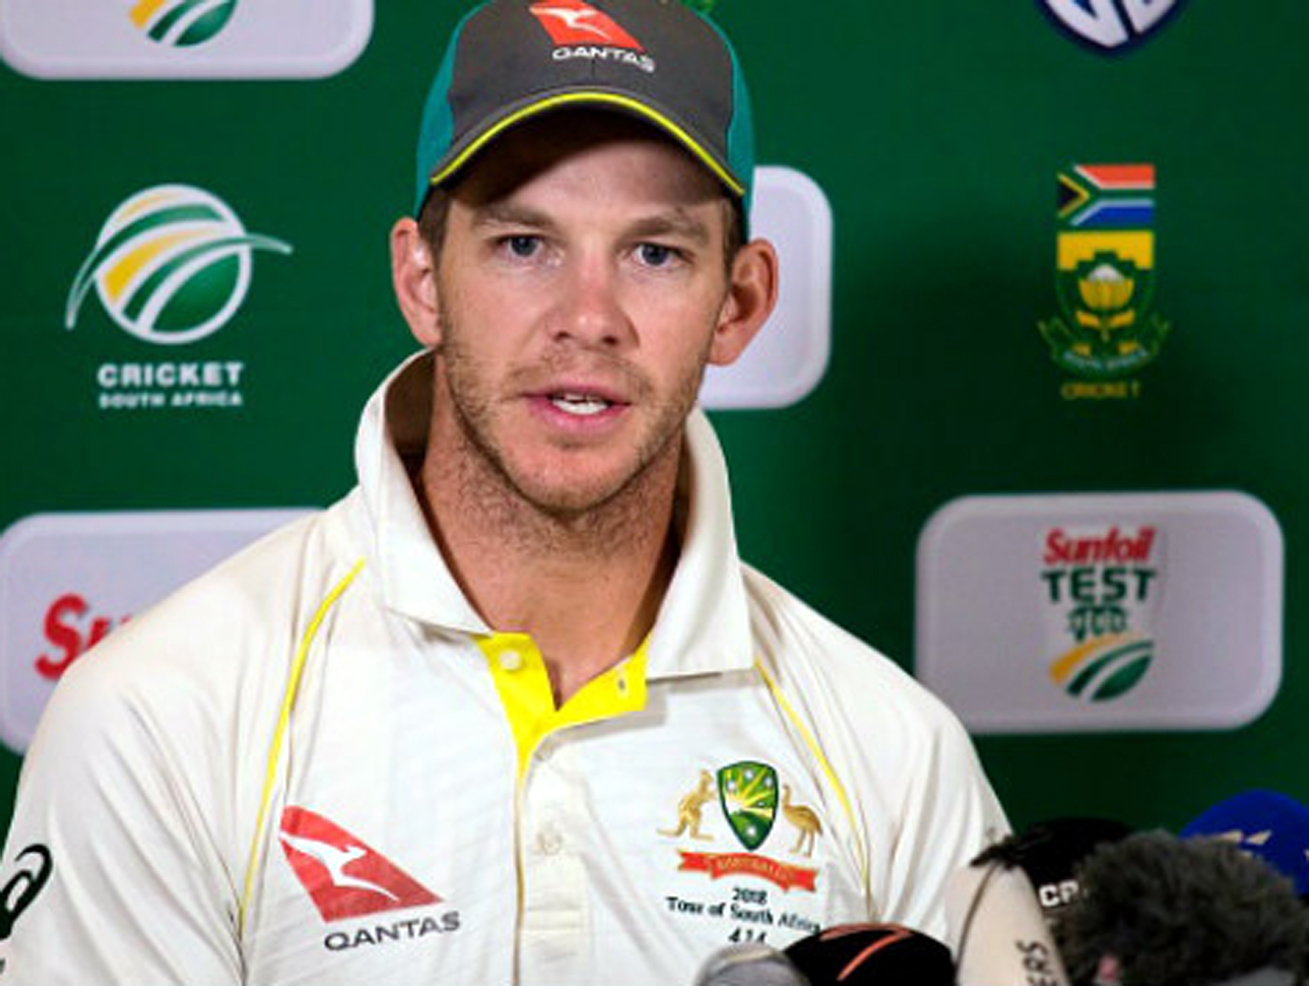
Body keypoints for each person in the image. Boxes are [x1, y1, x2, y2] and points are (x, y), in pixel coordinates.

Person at [0, 1, 1007, 983]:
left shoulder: (893, 755)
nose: (588, 316)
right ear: (421, 280)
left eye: (654, 253)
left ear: (737, 302)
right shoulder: (160, 716)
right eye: (525, 244)